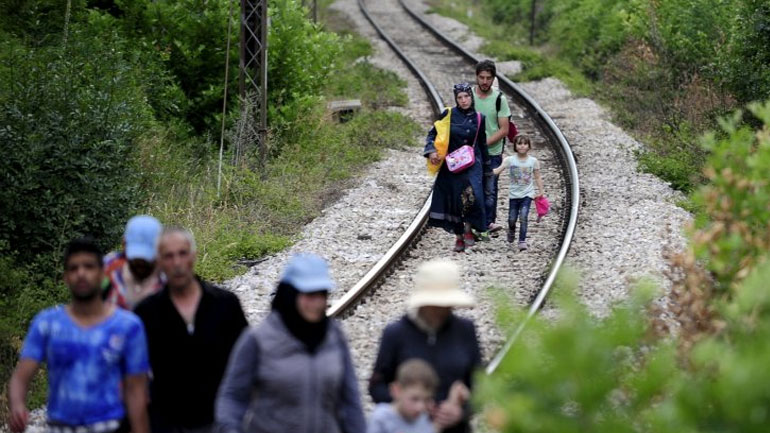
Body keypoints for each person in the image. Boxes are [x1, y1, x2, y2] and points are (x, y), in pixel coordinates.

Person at [8, 237, 150, 433]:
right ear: (65, 277)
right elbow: (21, 377)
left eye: (89, 267)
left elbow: (136, 390)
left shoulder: (128, 326)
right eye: (73, 268)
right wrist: (17, 404)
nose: (81, 274)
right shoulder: (47, 324)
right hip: (61, 426)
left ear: (102, 274)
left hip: (111, 426)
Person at [216, 253, 366, 433]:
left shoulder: (334, 337)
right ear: (290, 294)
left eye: (321, 294)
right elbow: (233, 397)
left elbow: (350, 401)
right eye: (309, 295)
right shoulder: (258, 339)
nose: (316, 303)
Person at [134, 226, 248, 433]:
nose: (177, 263)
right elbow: (135, 376)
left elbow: (247, 362)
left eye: (182, 254)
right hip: (168, 423)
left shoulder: (225, 304)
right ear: (159, 262)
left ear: (193, 256)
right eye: (168, 256)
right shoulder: (147, 313)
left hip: (220, 420)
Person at [369, 259, 481, 433]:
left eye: (447, 304)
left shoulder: (465, 330)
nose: (443, 309)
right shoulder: (396, 334)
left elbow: (480, 385)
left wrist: (461, 410)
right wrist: (409, 404)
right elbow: (377, 387)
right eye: (436, 304)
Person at [425, 83, 490, 252]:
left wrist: (488, 168)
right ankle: (459, 235)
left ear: (471, 97)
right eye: (460, 97)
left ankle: (469, 230)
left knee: (473, 195)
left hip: (472, 164)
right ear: (456, 99)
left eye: (466, 96)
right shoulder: (448, 114)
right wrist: (431, 151)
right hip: (451, 164)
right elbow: (433, 133)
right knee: (454, 201)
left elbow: (482, 144)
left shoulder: (479, 118)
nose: (464, 100)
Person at [473, 60, 511, 234]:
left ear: (493, 78)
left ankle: (488, 222)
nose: (485, 81)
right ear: (476, 77)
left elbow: (504, 129)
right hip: (471, 153)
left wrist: (483, 143)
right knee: (473, 187)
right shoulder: (469, 96)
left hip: (492, 152)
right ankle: (474, 223)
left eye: (488, 78)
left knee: (490, 189)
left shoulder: (499, 99)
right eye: (482, 77)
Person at [493, 135, 545, 251]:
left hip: (527, 194)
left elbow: (537, 177)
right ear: (515, 146)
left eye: (525, 144)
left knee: (523, 216)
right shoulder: (510, 160)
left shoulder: (533, 161)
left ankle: (522, 240)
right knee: (512, 218)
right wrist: (484, 171)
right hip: (514, 195)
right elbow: (497, 170)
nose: (522, 146)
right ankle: (511, 230)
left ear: (529, 146)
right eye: (519, 144)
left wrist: (541, 191)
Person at [103, 215, 165, 309]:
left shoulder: (167, 278)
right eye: (135, 256)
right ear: (124, 245)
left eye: (147, 257)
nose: (141, 262)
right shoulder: (108, 267)